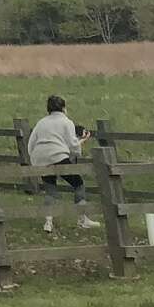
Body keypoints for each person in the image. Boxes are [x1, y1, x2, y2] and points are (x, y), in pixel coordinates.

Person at [26, 94, 97, 232]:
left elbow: (30, 145)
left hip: (40, 158)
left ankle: (48, 222)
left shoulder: (41, 123)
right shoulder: (67, 122)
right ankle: (82, 219)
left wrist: (36, 159)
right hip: (58, 157)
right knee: (78, 183)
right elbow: (73, 146)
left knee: (50, 189)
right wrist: (83, 140)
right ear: (64, 108)